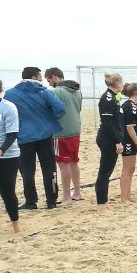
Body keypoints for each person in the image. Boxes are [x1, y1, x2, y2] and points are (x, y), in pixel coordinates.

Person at [5, 67, 65, 210]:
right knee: (49, 168)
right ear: (33, 77)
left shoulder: (10, 93)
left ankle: (31, 201)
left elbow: (6, 113)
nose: (41, 80)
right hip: (44, 134)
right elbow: (60, 109)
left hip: (23, 137)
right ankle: (51, 200)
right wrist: (49, 118)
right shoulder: (43, 91)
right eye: (39, 77)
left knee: (27, 171)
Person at [46, 68, 84, 203]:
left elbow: (49, 110)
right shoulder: (77, 91)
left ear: (54, 77)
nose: (49, 83)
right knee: (73, 161)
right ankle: (77, 192)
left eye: (49, 80)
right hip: (75, 130)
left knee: (63, 164)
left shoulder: (56, 91)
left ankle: (67, 196)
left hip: (60, 132)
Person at [94, 73, 124, 210]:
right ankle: (101, 204)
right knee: (104, 172)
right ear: (117, 83)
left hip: (112, 137)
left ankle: (104, 202)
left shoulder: (114, 96)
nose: (122, 85)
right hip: (108, 139)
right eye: (121, 82)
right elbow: (107, 123)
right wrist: (117, 141)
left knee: (107, 171)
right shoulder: (107, 98)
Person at [0, 79, 22, 234]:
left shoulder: (8, 107)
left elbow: (12, 134)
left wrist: (0, 151)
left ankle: (15, 224)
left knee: (7, 191)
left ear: (0, 90)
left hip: (8, 156)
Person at [119, 82, 137, 204]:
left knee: (131, 169)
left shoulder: (131, 105)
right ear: (136, 92)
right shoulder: (130, 106)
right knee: (127, 169)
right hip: (128, 140)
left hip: (129, 140)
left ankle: (127, 196)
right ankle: (124, 197)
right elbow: (129, 128)